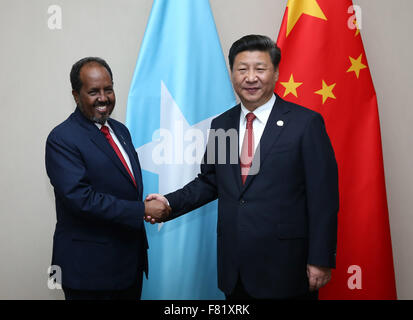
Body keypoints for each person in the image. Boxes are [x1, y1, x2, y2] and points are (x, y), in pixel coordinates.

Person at [145, 35, 339, 300]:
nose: (251, 77)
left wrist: (320, 258)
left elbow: (323, 198)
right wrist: (169, 203)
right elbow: (211, 181)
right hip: (235, 269)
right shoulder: (223, 125)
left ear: (276, 72)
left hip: (287, 268)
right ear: (232, 73)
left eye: (260, 68)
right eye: (242, 69)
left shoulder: (305, 124)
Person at [45, 57, 170, 300]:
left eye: (108, 89)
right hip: (91, 272)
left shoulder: (120, 130)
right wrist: (141, 210)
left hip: (129, 266)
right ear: (76, 94)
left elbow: (125, 185)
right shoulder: (62, 139)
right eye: (93, 91)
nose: (103, 98)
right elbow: (81, 200)